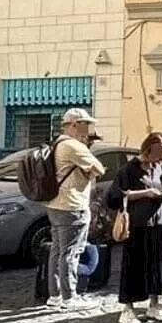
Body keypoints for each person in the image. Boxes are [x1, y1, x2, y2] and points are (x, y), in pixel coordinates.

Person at [108, 132, 162, 323]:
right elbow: (115, 196)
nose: (160, 159)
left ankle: (154, 305)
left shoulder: (158, 168)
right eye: (158, 154)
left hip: (157, 223)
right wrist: (144, 193)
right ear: (148, 150)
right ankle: (127, 310)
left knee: (156, 265)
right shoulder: (128, 169)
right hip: (137, 225)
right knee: (134, 266)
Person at [45, 109, 105, 311]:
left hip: (55, 203)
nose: (88, 129)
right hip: (72, 204)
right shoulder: (73, 145)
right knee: (70, 253)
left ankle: (54, 295)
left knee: (57, 251)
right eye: (85, 124)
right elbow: (99, 168)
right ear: (74, 124)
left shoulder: (58, 143)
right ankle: (70, 297)